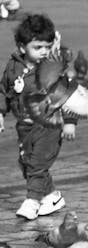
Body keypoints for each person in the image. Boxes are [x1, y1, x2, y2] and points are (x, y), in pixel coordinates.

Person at [0, 13, 75, 220]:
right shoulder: (13, 68)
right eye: (38, 47)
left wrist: (69, 122)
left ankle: (32, 201)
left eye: (47, 47)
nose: (43, 52)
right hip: (24, 127)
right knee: (26, 163)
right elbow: (4, 91)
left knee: (37, 164)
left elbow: (66, 95)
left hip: (49, 126)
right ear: (22, 47)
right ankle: (52, 196)